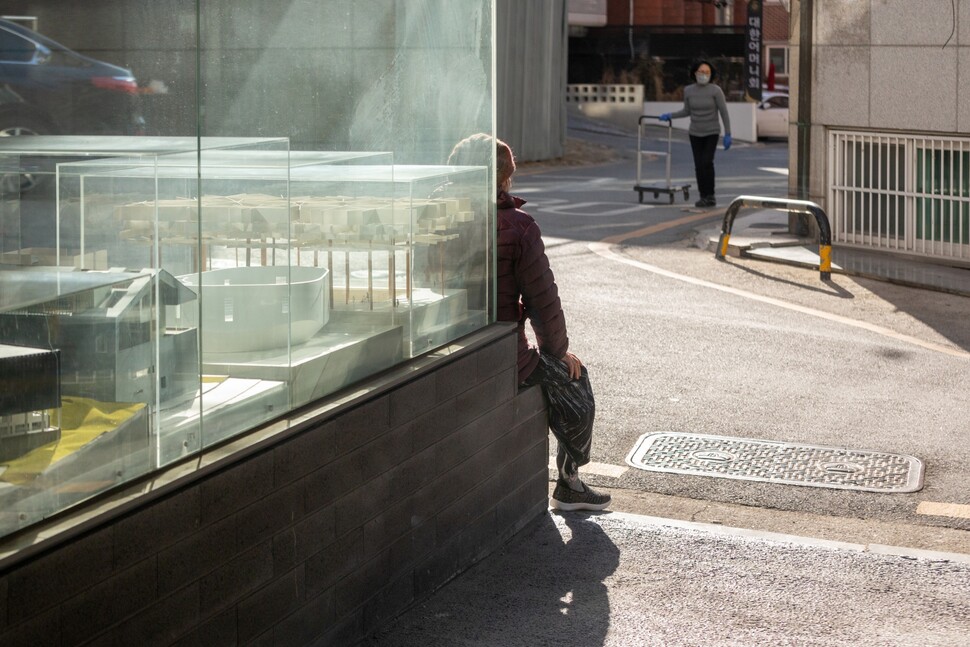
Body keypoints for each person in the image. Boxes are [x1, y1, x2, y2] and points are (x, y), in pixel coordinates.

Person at [447, 133, 611, 512]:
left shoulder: (430, 212)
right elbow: (543, 303)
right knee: (576, 382)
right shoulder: (518, 227)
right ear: (505, 178)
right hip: (500, 355)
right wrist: (559, 353)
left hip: (438, 349)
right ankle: (570, 483)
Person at [659, 59, 732, 208]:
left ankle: (710, 195)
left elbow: (724, 112)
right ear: (695, 73)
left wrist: (728, 133)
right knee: (699, 165)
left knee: (707, 162)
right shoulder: (688, 90)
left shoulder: (716, 91)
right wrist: (670, 115)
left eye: (707, 72)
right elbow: (686, 111)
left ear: (711, 75)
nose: (704, 75)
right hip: (695, 133)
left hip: (711, 132)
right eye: (701, 72)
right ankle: (703, 196)